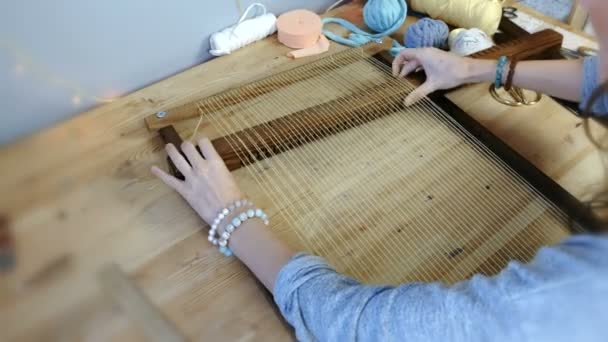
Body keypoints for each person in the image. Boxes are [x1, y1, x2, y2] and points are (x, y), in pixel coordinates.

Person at [151, 0, 608, 340]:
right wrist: (476, 69)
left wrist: (232, 216)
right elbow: (601, 78)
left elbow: (360, 326)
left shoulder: (587, 291)